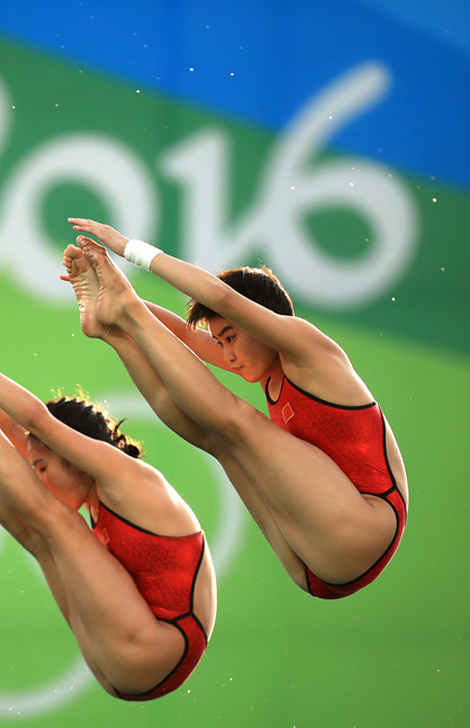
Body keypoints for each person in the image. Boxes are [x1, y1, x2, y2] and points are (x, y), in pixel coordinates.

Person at [63, 217, 407, 599]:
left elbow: (223, 298)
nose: (226, 355)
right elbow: (181, 336)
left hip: (365, 529)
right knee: (216, 440)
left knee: (238, 423)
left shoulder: (308, 349)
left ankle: (123, 307)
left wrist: (130, 250)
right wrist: (108, 300)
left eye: (230, 337)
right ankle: (112, 332)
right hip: (313, 568)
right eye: (220, 342)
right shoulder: (265, 365)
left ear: (258, 320)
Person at [0, 324, 216, 701]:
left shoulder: (128, 478)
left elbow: (35, 420)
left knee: (56, 522)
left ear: (73, 456)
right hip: (116, 662)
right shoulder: (93, 489)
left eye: (42, 468)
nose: (38, 479)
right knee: (37, 536)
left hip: (155, 649)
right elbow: (22, 431)